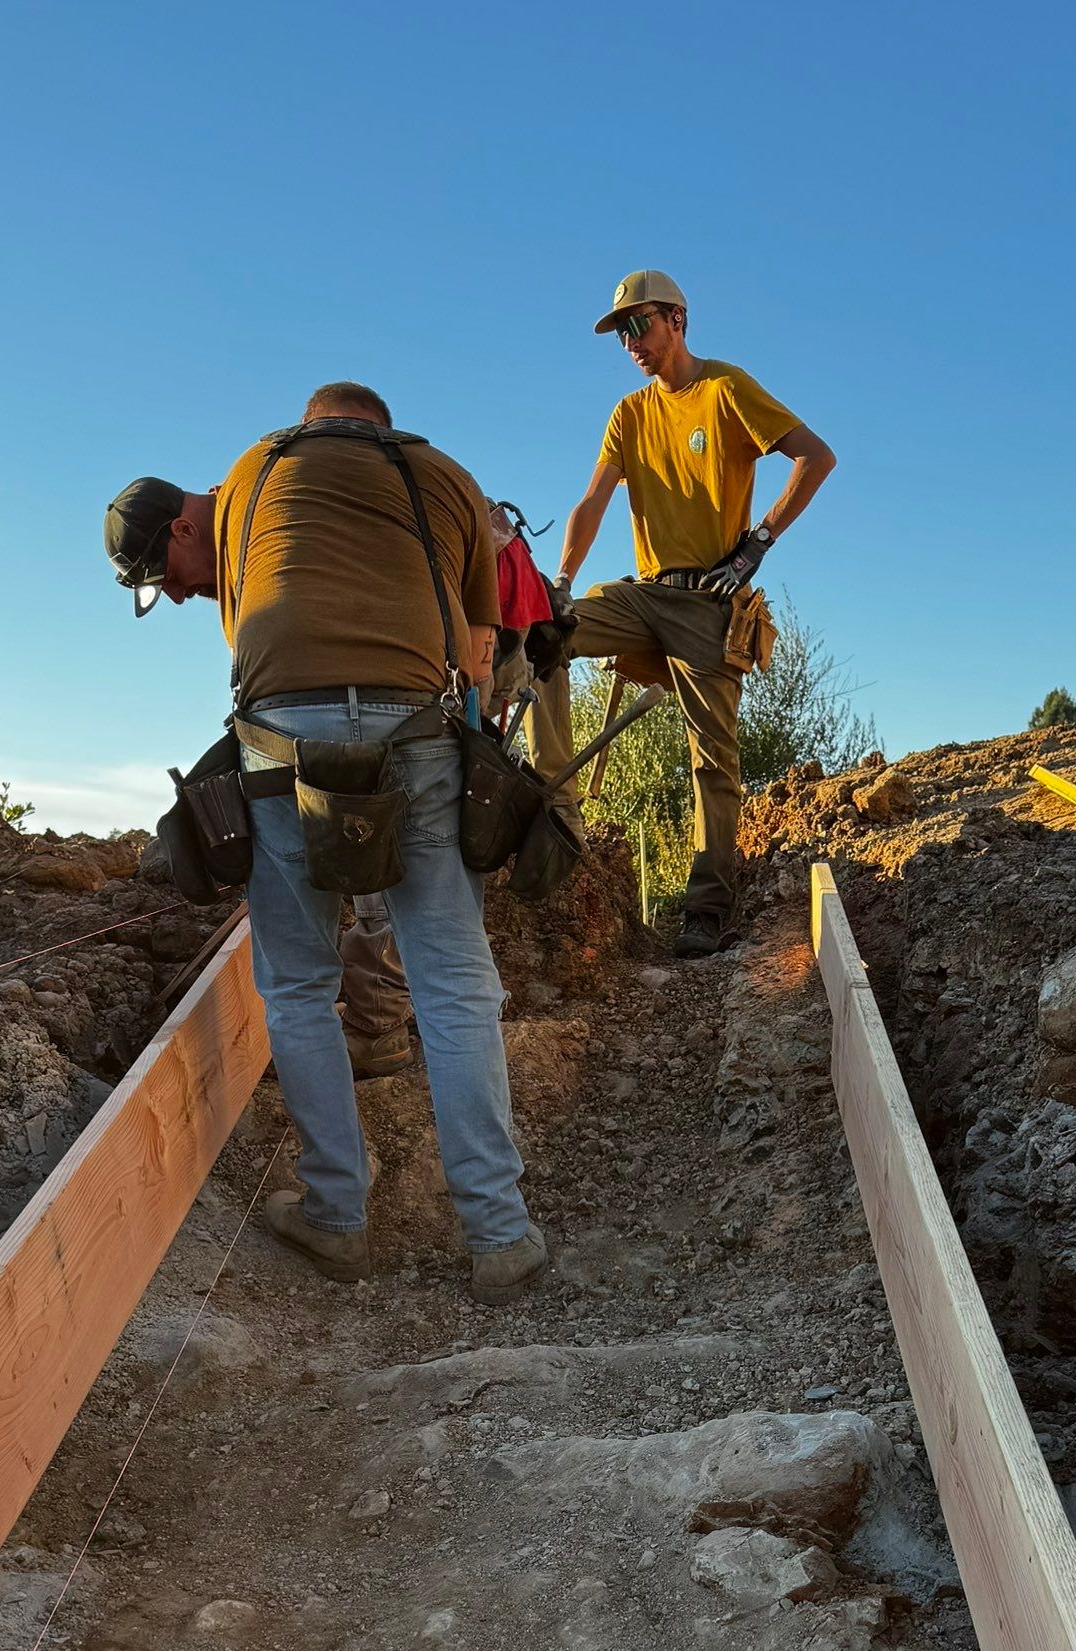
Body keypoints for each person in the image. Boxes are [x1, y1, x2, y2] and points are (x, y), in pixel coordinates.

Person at [102, 384, 547, 1298]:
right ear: (376, 426)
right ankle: (500, 1237)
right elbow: (474, 655)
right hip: (416, 734)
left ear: (311, 424)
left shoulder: (251, 475)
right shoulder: (444, 477)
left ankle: (335, 1217)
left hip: (279, 745)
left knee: (297, 985)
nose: (177, 592)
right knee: (456, 985)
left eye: (168, 578)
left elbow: (249, 642)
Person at [531, 269, 836, 959]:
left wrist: (758, 544)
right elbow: (592, 501)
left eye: (641, 325)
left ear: (677, 318)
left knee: (712, 761)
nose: (632, 342)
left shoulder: (727, 390)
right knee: (540, 633)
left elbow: (816, 458)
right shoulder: (629, 414)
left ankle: (706, 910)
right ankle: (558, 812)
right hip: (645, 592)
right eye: (621, 333)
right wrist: (562, 581)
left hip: (709, 601)